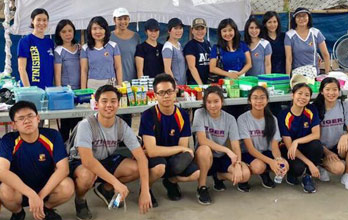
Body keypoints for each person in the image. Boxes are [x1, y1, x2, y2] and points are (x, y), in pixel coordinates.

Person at [69, 85, 152, 220]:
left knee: (136, 168)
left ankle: (105, 189)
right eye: (104, 101)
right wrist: (116, 183)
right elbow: (88, 161)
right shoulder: (86, 124)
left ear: (118, 104)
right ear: (96, 104)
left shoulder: (121, 125)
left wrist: (145, 190)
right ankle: (80, 200)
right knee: (86, 175)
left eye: (113, 101)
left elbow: (142, 158)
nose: (109, 105)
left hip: (106, 159)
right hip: (82, 163)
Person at [0, 101, 74, 220]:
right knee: (4, 190)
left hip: (46, 187)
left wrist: (39, 197)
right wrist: (31, 194)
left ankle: (46, 208)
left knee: (67, 186)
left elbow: (63, 169)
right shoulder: (8, 140)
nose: (27, 121)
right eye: (21, 118)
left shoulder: (52, 135)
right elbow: (1, 172)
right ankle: (18, 212)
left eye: (30, 116)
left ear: (38, 118)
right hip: (19, 189)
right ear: (14, 125)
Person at [139, 73, 199, 203]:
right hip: (154, 158)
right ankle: (145, 189)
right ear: (155, 95)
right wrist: (179, 149)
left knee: (196, 173)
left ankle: (171, 181)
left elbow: (183, 148)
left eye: (169, 91)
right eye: (161, 92)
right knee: (160, 167)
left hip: (172, 157)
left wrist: (181, 150)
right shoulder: (148, 115)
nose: (166, 96)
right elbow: (152, 151)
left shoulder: (182, 115)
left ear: (175, 92)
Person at [193, 86, 249, 205]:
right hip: (204, 158)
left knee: (245, 175)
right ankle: (201, 187)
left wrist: (238, 164)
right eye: (209, 102)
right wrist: (227, 150)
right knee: (204, 150)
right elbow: (202, 140)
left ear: (222, 102)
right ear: (204, 103)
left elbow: (235, 146)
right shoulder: (199, 113)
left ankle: (218, 176)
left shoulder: (230, 119)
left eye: (216, 101)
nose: (212, 105)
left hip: (221, 157)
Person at [312, 77, 348, 190]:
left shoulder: (344, 106)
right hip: (321, 149)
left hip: (339, 146)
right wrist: (327, 152)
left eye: (334, 89)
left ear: (339, 92)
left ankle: (347, 175)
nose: (331, 93)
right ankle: (321, 164)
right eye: (327, 89)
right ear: (321, 91)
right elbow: (314, 137)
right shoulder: (315, 108)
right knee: (338, 169)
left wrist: (345, 136)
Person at [277, 83, 324, 193]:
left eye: (307, 95)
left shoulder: (311, 110)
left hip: (303, 145)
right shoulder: (283, 115)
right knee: (298, 168)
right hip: (289, 149)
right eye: (300, 93)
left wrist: (297, 141)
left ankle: (307, 177)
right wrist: (310, 164)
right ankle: (293, 173)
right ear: (292, 95)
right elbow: (289, 145)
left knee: (317, 145)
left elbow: (316, 134)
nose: (303, 97)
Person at [239, 86, 287, 189]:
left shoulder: (272, 119)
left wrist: (278, 160)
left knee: (285, 164)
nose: (259, 101)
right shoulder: (243, 119)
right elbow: (250, 149)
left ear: (267, 100)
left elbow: (274, 147)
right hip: (248, 153)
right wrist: (271, 162)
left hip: (266, 151)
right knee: (259, 167)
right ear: (249, 100)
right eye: (255, 98)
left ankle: (265, 173)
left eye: (262, 97)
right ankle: (245, 176)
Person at [53, 19, 83, 144]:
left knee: (79, 126)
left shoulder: (80, 49)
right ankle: (63, 154)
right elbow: (57, 74)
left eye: (70, 31)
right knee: (65, 127)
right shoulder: (58, 51)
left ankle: (77, 152)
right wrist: (60, 92)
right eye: (64, 31)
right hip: (66, 93)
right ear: (59, 34)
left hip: (80, 92)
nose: (67, 34)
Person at [284, 8, 331, 75]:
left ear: (309, 17)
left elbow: (325, 54)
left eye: (304, 16)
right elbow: (289, 59)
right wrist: (288, 78)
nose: (301, 18)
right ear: (294, 19)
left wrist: (327, 73)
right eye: (298, 16)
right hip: (297, 74)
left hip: (314, 73)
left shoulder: (316, 33)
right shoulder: (289, 35)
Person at [81, 16, 123, 89]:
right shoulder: (85, 48)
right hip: (92, 85)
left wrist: (120, 86)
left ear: (105, 30)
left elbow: (118, 67)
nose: (98, 32)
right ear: (90, 31)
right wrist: (83, 90)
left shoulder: (113, 46)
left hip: (110, 84)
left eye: (101, 28)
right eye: (94, 29)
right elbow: (84, 71)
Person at [17, 8, 55, 89]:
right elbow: (21, 68)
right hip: (32, 90)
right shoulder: (25, 41)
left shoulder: (50, 42)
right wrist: (29, 90)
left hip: (48, 90)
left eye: (44, 20)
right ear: (32, 21)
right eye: (38, 20)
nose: (41, 23)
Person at [209, 18, 252, 82]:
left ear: (234, 31)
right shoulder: (216, 48)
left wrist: (239, 74)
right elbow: (212, 68)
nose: (227, 33)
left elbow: (249, 64)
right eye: (224, 31)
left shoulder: (242, 45)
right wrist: (229, 74)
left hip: (241, 80)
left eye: (230, 30)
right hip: (224, 82)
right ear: (220, 33)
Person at [110, 8, 141, 83]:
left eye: (125, 19)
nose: (123, 22)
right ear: (114, 20)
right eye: (120, 19)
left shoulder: (136, 37)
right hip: (114, 81)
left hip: (133, 80)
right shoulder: (109, 37)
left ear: (129, 20)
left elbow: (139, 59)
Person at [183, 18, 211, 85]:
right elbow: (192, 67)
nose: (200, 31)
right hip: (195, 84)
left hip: (207, 82)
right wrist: (201, 85)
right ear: (192, 30)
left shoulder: (208, 44)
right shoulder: (190, 46)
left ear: (206, 30)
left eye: (202, 29)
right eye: (197, 29)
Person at [162, 18, 187, 85]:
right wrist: (174, 85)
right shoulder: (168, 47)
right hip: (176, 86)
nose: (179, 31)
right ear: (169, 31)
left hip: (183, 85)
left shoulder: (179, 45)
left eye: (180, 28)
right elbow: (167, 69)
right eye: (175, 28)